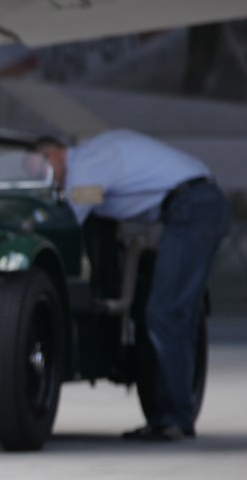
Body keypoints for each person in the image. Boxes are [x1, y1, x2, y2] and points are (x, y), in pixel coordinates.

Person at [30, 131, 230, 441]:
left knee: (166, 314)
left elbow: (69, 219)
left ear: (54, 154)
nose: (47, 182)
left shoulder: (87, 165)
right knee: (171, 314)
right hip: (195, 204)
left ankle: (175, 419)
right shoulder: (95, 155)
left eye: (42, 173)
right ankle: (168, 417)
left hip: (192, 207)